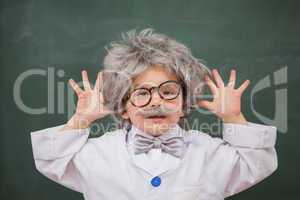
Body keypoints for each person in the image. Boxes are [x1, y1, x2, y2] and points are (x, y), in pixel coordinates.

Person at [30, 29, 278, 200]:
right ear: (124, 107)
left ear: (184, 104)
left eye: (169, 92)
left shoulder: (210, 152)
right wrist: (81, 119)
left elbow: (258, 165)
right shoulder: (96, 154)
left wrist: (233, 118)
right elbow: (50, 160)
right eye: (142, 93)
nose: (156, 101)